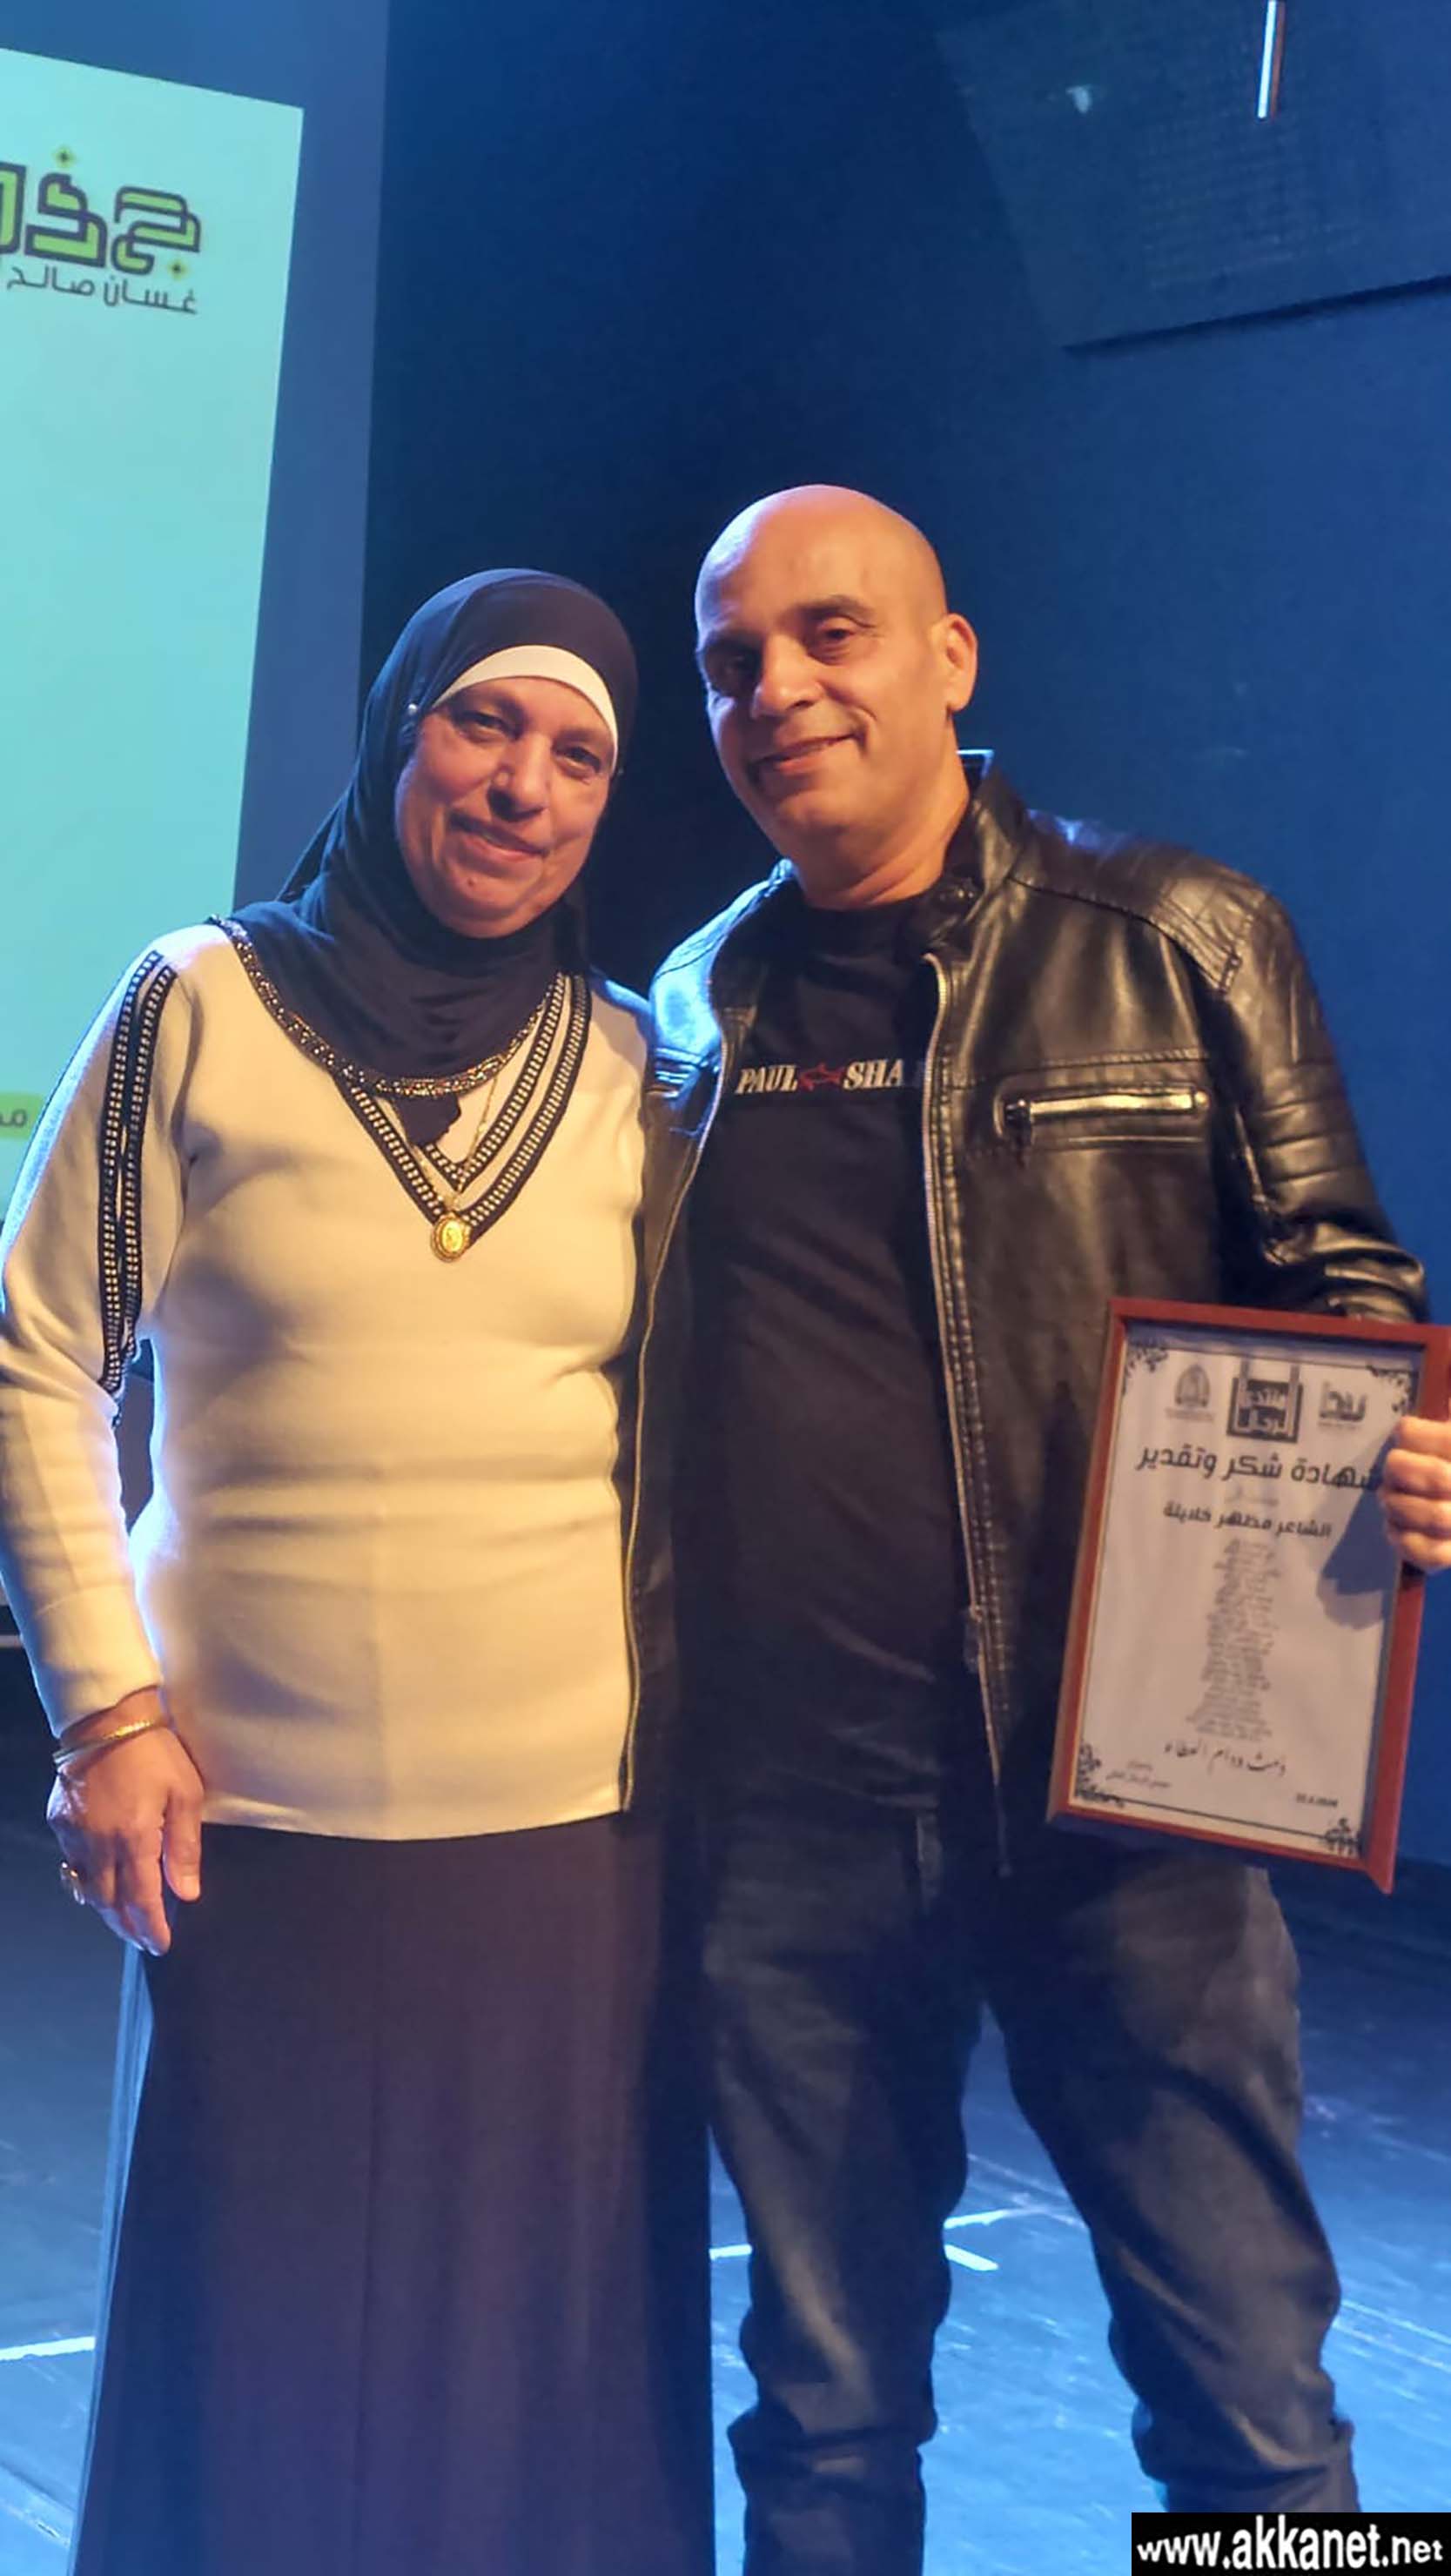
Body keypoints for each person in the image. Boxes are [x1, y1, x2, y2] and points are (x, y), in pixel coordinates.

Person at [648, 484, 1451, 2573]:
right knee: (823, 2412)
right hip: (797, 1825)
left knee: (1250, 2412)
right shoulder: (696, 1001)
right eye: (732, 664)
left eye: (830, 633)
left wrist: (1411, 1449)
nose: (776, 690)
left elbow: (1347, 1296)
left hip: (1135, 1820)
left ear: (951, 659)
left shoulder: (1179, 931)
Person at [0, 570, 713, 2576]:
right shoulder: (198, 1005)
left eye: (579, 754)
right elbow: (36, 1354)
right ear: (401, 730)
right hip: (255, 1834)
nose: (524, 784)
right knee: (265, 2367)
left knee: (535, 2382)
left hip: (571, 1843)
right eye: (484, 723)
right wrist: (103, 1714)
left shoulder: (637, 1064)